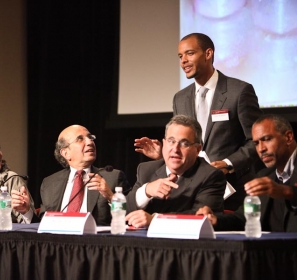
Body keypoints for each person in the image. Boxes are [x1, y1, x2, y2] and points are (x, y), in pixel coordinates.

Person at [134, 33, 263, 210]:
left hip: (234, 191)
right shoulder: (180, 98)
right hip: (192, 195)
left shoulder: (239, 92)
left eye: (190, 53)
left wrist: (228, 164)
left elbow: (257, 141)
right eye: (180, 56)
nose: (183, 61)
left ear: (208, 54)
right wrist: (164, 154)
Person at [197, 115, 297, 232]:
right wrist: (215, 220)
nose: (261, 149)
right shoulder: (264, 175)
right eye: (256, 143)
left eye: (267, 139)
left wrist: (286, 192)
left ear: (288, 137)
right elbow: (243, 218)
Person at [126, 115, 226, 228]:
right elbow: (124, 212)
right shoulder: (146, 169)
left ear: (197, 149)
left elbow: (201, 219)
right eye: (171, 141)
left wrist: (155, 220)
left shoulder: (210, 176)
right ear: (163, 143)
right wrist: (146, 191)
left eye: (184, 143)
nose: (175, 149)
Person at [39, 125, 130, 226]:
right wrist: (26, 212)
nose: (90, 142)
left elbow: (129, 216)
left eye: (90, 138)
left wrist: (110, 196)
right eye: (80, 139)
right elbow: (42, 222)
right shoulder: (50, 183)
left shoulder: (113, 177)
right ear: (66, 153)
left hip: (94, 240)